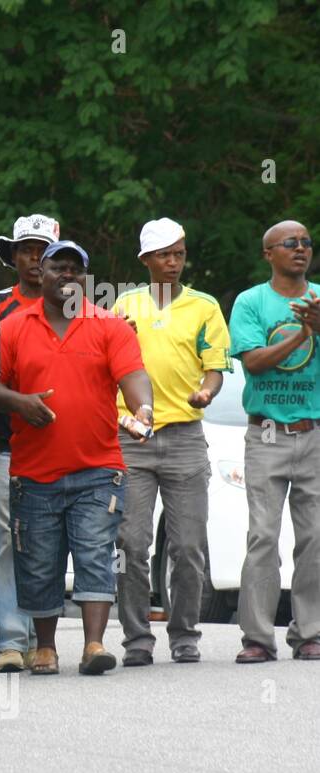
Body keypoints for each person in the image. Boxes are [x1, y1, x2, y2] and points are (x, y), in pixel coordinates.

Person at [0, 241, 154, 677]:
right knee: (39, 560)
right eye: (57, 268)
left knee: (95, 554)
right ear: (39, 273)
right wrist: (22, 403)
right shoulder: (12, 327)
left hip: (98, 468)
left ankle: (94, 644)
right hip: (33, 470)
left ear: (84, 277)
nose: (66, 275)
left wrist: (143, 409)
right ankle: (44, 647)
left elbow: (133, 375)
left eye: (75, 269)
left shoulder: (108, 326)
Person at [113, 218, 231, 666]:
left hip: (184, 435)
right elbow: (111, 366)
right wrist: (121, 415)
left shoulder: (204, 306)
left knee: (187, 545)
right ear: (145, 260)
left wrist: (208, 391)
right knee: (132, 543)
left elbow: (215, 366)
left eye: (179, 253)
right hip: (133, 438)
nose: (173, 262)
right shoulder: (125, 305)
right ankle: (137, 639)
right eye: (164, 254)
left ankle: (184, 635)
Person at [228, 220, 320, 663]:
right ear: (269, 253)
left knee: (315, 537)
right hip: (266, 433)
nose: (301, 249)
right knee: (263, 535)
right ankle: (258, 639)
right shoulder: (251, 302)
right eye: (290, 243)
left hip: (314, 432)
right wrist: (305, 334)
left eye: (306, 242)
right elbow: (256, 363)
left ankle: (310, 634)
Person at [0, 213, 59, 672]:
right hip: (1, 444)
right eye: (27, 249)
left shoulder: (75, 308)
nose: (35, 258)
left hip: (55, 446)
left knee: (43, 544)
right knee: (3, 543)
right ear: (12, 256)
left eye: (44, 251)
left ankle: (39, 638)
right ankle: (11, 639)